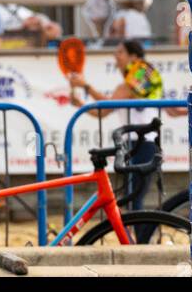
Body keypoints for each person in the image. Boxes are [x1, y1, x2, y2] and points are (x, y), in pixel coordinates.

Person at [69, 39, 164, 214]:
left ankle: (140, 239)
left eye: (120, 52)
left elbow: (108, 105)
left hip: (140, 144)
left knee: (134, 199)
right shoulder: (142, 84)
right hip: (139, 144)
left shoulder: (130, 86)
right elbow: (104, 112)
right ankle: (138, 239)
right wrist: (81, 103)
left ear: (133, 57)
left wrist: (85, 86)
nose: (116, 56)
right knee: (133, 199)